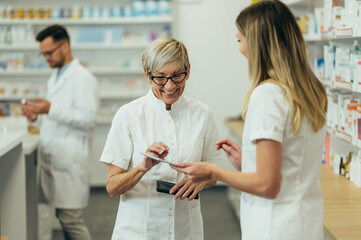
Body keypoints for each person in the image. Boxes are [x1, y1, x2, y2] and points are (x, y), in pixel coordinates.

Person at [171, 1, 328, 239]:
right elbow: (293, 165)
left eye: (239, 39)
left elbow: (267, 186)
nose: (239, 48)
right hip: (304, 223)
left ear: (257, 43)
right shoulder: (309, 91)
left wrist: (214, 171)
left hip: (275, 227)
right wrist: (250, 164)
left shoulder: (267, 95)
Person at [99, 37, 223, 240]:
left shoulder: (203, 114)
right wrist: (142, 167)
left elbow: (214, 172)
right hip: (139, 230)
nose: (170, 86)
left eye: (177, 76)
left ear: (188, 71)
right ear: (148, 76)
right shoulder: (129, 115)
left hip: (186, 229)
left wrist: (199, 182)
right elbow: (113, 188)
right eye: (160, 77)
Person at [22, 24, 98, 240]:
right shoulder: (55, 77)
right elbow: (59, 117)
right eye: (42, 53)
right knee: (65, 218)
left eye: (49, 52)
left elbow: (88, 119)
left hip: (70, 161)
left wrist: (50, 109)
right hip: (56, 158)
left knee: (70, 220)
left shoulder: (83, 78)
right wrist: (38, 116)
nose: (45, 58)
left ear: (64, 46)